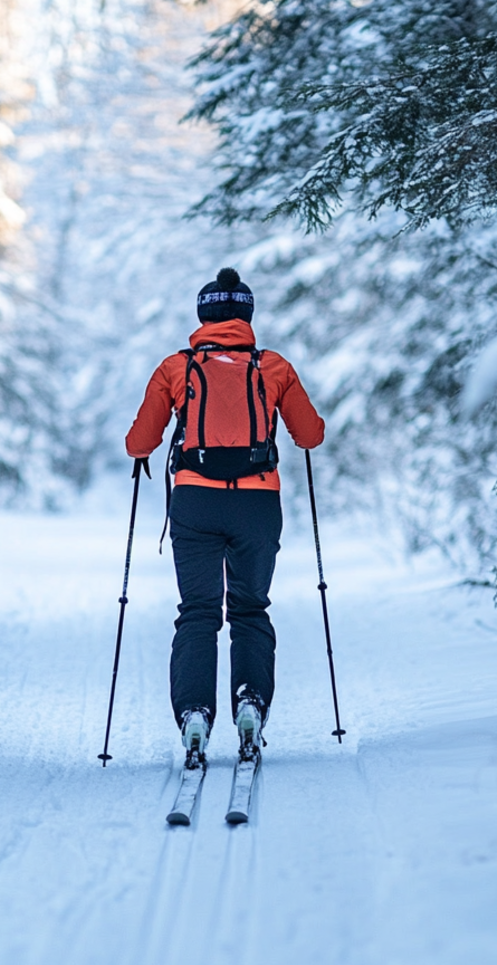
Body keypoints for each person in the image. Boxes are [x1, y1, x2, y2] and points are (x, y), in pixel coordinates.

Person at [125, 267, 325, 762]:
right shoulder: (273, 366)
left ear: (203, 316)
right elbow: (310, 435)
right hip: (257, 504)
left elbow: (139, 442)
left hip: (195, 501)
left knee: (197, 611)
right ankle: (250, 703)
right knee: (250, 609)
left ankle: (195, 713)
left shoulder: (176, 368)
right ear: (248, 316)